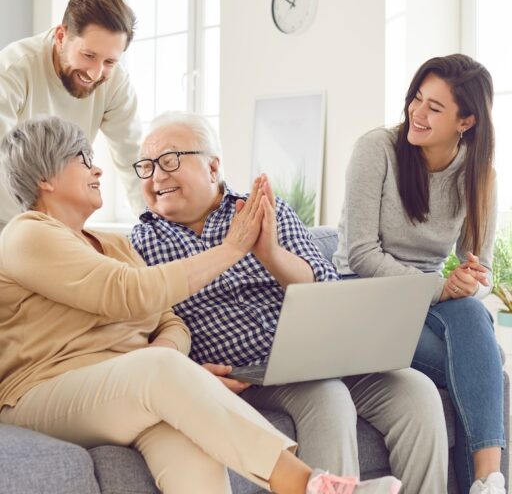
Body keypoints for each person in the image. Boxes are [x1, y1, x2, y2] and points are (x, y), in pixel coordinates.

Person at [0, 116, 403, 494]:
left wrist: (163, 353)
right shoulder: (26, 235)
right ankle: (308, 485)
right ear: (44, 178)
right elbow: (127, 291)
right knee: (157, 373)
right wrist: (232, 249)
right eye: (84, 159)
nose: (98, 169)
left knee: (191, 449)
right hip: (42, 393)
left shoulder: (114, 244)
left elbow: (170, 319)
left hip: (126, 388)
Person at [130, 110, 449, 494]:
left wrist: (272, 255)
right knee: (327, 396)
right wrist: (188, 373)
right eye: (146, 167)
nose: (156, 176)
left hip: (319, 354)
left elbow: (326, 288)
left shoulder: (267, 210)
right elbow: (143, 332)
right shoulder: (140, 243)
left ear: (212, 167)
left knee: (417, 391)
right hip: (246, 373)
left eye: (169, 161)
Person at [333, 54, 505, 494]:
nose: (417, 112)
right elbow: (360, 255)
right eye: (417, 98)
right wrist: (441, 287)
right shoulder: (377, 150)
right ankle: (490, 480)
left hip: (432, 301)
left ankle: (489, 480)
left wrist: (468, 279)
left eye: (435, 107)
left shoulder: (478, 173)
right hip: (364, 292)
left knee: (470, 317)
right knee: (480, 367)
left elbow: (476, 264)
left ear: (465, 121)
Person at [0, 0, 144, 233]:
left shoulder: (116, 84)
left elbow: (134, 160)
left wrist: (156, 224)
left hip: (58, 224)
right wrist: (35, 224)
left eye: (109, 62)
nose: (95, 73)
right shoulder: (13, 69)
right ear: (61, 35)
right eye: (88, 55)